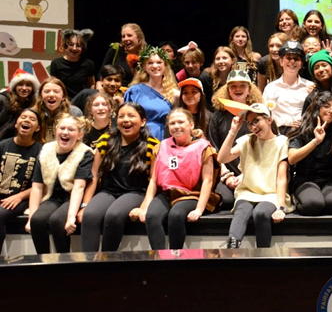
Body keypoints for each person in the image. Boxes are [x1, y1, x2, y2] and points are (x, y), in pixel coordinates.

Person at [130, 108, 220, 250]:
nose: (176, 126)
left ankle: (174, 258)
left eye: (181, 122)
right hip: (167, 193)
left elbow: (207, 181)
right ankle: (158, 258)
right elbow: (154, 179)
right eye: (172, 123)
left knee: (176, 215)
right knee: (152, 216)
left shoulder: (204, 147)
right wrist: (145, 207)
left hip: (191, 195)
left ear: (191, 124)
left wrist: (199, 209)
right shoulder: (161, 146)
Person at [80, 102, 158, 252]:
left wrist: (144, 207)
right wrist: (85, 205)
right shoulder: (105, 140)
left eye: (131, 116)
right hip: (109, 191)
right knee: (89, 215)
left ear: (143, 122)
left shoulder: (152, 145)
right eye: (121, 116)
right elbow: (94, 175)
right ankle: (88, 265)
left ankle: (107, 262)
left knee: (114, 215)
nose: (125, 120)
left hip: (135, 192)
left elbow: (154, 180)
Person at [217, 103, 289, 249]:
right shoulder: (247, 140)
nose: (253, 127)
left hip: (271, 194)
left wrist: (280, 207)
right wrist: (232, 132)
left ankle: (263, 255)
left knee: (261, 213)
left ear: (269, 120)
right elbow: (222, 158)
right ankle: (231, 249)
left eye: (256, 121)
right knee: (241, 211)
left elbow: (281, 178)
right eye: (249, 124)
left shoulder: (282, 142)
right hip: (248, 191)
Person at [26, 114, 94, 254]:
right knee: (37, 220)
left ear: (80, 135)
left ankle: (63, 265)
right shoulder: (46, 150)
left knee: (57, 221)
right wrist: (30, 217)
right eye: (62, 128)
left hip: (72, 197)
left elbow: (79, 187)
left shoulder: (85, 153)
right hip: (52, 197)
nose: (65, 132)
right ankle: (43, 262)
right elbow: (37, 187)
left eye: (71, 129)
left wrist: (71, 217)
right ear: (56, 130)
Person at [208, 71, 264, 210]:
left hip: (255, 173)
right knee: (226, 201)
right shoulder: (218, 117)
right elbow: (213, 148)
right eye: (233, 86)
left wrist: (246, 175)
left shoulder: (259, 115)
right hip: (227, 173)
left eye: (242, 86)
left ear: (249, 89)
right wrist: (226, 175)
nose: (237, 89)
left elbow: (266, 148)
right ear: (227, 90)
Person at [288, 92, 332, 216]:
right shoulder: (301, 128)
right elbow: (292, 159)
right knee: (313, 204)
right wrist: (316, 141)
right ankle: (296, 199)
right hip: (306, 179)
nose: (331, 111)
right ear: (317, 107)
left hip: (331, 180)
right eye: (327, 106)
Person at [0, 109, 42, 253]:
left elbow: (41, 185)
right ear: (16, 124)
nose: (26, 120)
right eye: (23, 117)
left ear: (37, 128)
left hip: (21, 198)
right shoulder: (3, 145)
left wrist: (19, 196)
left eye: (32, 119)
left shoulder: (41, 151)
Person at [122, 47, 177, 141]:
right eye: (150, 63)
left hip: (163, 139)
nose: (155, 66)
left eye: (159, 62)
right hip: (139, 138)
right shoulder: (134, 91)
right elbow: (125, 117)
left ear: (165, 66)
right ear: (144, 67)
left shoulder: (174, 93)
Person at [262, 41, 314, 134]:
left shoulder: (310, 86)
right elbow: (264, 114)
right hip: (277, 134)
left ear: (301, 63)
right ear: (281, 61)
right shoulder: (270, 88)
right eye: (288, 58)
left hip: (303, 133)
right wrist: (288, 123)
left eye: (296, 58)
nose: (292, 61)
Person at [50, 29, 96, 100]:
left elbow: (92, 85)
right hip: (63, 100)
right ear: (66, 46)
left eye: (78, 45)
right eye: (71, 45)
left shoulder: (88, 64)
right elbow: (53, 85)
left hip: (82, 101)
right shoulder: (56, 63)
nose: (74, 48)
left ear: (82, 48)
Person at [34, 77, 84, 142]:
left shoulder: (74, 113)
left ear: (63, 96)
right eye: (47, 91)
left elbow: (79, 140)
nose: (51, 95)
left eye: (56, 91)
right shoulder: (34, 113)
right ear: (41, 96)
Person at [0, 69, 40, 140]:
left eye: (28, 85)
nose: (24, 88)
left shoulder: (30, 105)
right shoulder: (3, 100)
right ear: (15, 87)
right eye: (20, 85)